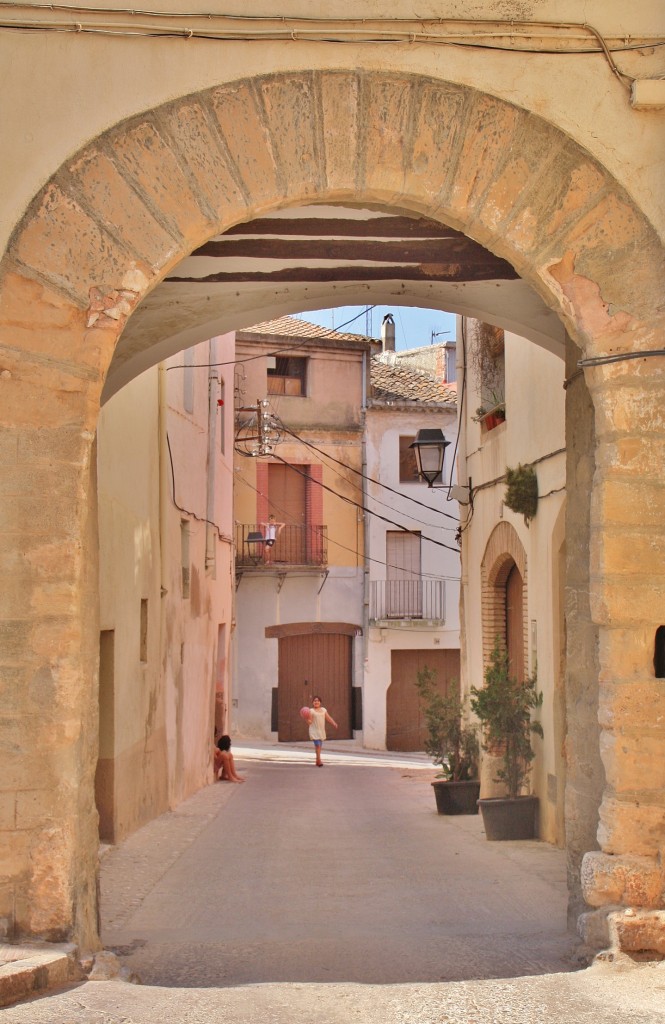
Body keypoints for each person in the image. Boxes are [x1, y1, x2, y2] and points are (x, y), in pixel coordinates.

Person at [307, 695, 338, 766]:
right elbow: (310, 722)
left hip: (321, 731)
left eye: (318, 701)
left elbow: (328, 718)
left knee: (319, 746)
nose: (316, 702)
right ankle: (319, 760)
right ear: (312, 702)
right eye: (315, 701)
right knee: (317, 745)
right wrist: (306, 719)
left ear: (320, 702)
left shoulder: (324, 710)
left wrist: (334, 723)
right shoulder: (311, 711)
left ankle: (317, 760)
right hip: (314, 730)